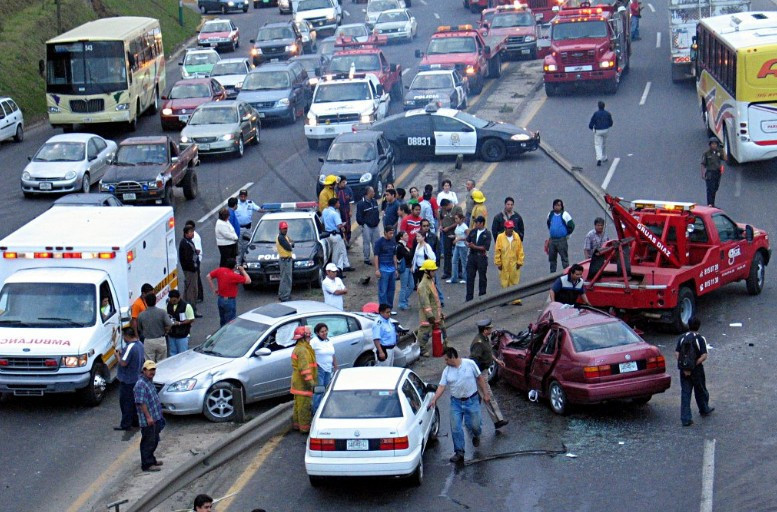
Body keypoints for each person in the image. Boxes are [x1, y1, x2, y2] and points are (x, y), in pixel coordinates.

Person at [428, 347, 490, 463]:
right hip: (456, 403)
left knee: (475, 425)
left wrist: (485, 394)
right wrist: (434, 399)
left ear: (453, 357)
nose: (445, 362)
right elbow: (442, 386)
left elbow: (480, 378)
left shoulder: (470, 364)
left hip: (472, 400)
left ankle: (476, 434)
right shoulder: (447, 371)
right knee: (456, 427)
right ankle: (459, 452)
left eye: (446, 359)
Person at [469, 318, 508, 429]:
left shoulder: (485, 339)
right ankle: (498, 420)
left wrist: (497, 360)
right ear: (485, 330)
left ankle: (471, 421)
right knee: (488, 396)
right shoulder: (478, 343)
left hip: (484, 371)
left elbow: (488, 353)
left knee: (476, 399)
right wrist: (478, 376)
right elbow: (474, 360)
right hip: (481, 373)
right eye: (489, 328)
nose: (491, 329)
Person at [675, 316, 714, 427]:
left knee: (685, 393)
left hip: (683, 370)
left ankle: (686, 419)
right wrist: (693, 364)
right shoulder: (700, 339)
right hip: (697, 370)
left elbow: (677, 353)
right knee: (700, 389)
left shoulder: (682, 338)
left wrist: (684, 365)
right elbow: (704, 355)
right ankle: (704, 408)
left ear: (688, 325)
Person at [134, 360, 164, 472]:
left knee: (154, 440)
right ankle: (147, 464)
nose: (152, 372)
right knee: (148, 442)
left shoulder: (149, 381)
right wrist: (148, 417)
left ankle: (152, 460)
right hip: (148, 420)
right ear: (144, 370)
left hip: (155, 417)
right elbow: (141, 402)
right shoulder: (141, 385)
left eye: (153, 369)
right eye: (150, 370)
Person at [207, 258, 252, 326]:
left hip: (221, 299)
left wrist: (214, 289)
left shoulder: (220, 270)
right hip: (229, 301)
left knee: (222, 320)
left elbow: (208, 276)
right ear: (234, 266)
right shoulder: (234, 276)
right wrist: (242, 270)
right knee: (231, 322)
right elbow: (248, 281)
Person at [114, 326, 143, 431]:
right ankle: (136, 422)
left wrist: (117, 356)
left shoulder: (130, 347)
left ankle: (126, 424)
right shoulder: (140, 344)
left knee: (126, 403)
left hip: (128, 379)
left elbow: (123, 362)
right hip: (137, 378)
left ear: (127, 336)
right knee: (135, 403)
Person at [290, 326, 317, 433]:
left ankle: (297, 425)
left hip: (298, 382)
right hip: (303, 383)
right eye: (309, 335)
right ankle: (305, 428)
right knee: (304, 407)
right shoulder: (303, 350)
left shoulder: (300, 348)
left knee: (298, 406)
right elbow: (304, 369)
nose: (310, 337)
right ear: (304, 336)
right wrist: (311, 383)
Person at [417, 260, 443, 357]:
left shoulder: (430, 281)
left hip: (435, 313)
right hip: (427, 315)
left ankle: (442, 346)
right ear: (427, 271)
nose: (434, 272)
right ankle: (421, 349)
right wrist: (430, 316)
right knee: (424, 331)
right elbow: (425, 303)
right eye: (433, 271)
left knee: (441, 329)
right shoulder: (423, 285)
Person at [494, 220, 525, 303]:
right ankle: (504, 300)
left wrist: (519, 262)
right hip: (504, 263)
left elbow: (520, 250)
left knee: (514, 281)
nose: (511, 230)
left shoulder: (516, 236)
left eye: (512, 228)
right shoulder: (500, 237)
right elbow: (497, 251)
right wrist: (498, 263)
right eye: (509, 228)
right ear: (505, 228)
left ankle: (516, 300)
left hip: (514, 263)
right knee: (504, 282)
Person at [137, 293, 172, 362]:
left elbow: (140, 328)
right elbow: (169, 324)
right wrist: (166, 331)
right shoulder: (162, 312)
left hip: (148, 340)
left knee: (149, 363)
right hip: (160, 339)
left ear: (146, 302)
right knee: (162, 362)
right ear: (155, 301)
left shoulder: (141, 315)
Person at [311, 323, 337, 412]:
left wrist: (335, 367)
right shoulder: (314, 342)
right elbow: (310, 355)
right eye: (322, 332)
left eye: (326, 331)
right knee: (319, 390)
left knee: (327, 390)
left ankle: (324, 409)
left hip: (328, 368)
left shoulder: (328, 341)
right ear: (317, 333)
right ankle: (316, 411)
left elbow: (332, 354)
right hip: (319, 369)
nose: (324, 333)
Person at [322, 197, 353, 272]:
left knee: (343, 249)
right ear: (335, 204)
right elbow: (339, 225)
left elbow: (322, 221)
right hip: (336, 235)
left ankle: (346, 265)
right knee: (336, 253)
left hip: (328, 235)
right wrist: (343, 228)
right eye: (338, 203)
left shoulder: (324, 211)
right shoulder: (335, 213)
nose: (339, 204)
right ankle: (334, 269)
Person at [465, 216, 491, 301]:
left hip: (481, 257)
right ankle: (469, 298)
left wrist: (474, 246)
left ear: (481, 223)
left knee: (482, 277)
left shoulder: (487, 234)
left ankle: (482, 297)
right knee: (470, 277)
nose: (475, 224)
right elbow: (467, 240)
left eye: (477, 223)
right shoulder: (473, 232)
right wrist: (467, 244)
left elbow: (485, 247)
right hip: (472, 256)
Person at [421, 219, 445, 308]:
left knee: (436, 283)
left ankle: (441, 299)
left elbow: (437, 250)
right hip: (422, 265)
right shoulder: (419, 237)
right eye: (424, 226)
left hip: (431, 264)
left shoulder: (433, 237)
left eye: (427, 226)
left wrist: (437, 264)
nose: (426, 227)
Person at [546, 199, 575, 273]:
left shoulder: (565, 214)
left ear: (561, 206)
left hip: (562, 240)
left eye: (559, 205)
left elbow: (571, 225)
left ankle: (567, 273)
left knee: (564, 258)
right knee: (552, 259)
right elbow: (549, 224)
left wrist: (566, 234)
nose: (557, 207)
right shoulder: (550, 214)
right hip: (552, 240)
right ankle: (552, 274)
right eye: (556, 205)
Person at [373, 226, 397, 308]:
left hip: (392, 270)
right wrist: (377, 270)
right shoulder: (379, 242)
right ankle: (383, 309)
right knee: (383, 291)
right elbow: (376, 256)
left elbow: (394, 256)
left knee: (391, 290)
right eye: (390, 233)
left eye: (392, 233)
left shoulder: (393, 242)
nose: (392, 235)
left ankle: (389, 308)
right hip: (383, 270)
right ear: (385, 232)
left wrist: (396, 269)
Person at [439, 199, 464, 280]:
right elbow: (441, 218)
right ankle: (447, 272)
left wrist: (448, 228)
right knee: (447, 254)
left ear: (449, 204)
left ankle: (460, 272)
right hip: (446, 235)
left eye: (446, 207)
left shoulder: (457, 209)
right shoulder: (443, 210)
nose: (445, 209)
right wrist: (441, 225)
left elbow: (459, 221)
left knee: (459, 253)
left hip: (455, 234)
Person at [356, 186, 381, 265]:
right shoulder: (361, 204)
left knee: (376, 243)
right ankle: (366, 259)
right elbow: (359, 216)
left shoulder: (374, 201)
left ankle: (377, 257)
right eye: (372, 192)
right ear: (368, 193)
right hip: (367, 226)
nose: (374, 193)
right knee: (366, 243)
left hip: (375, 226)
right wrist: (363, 224)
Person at [167, 290, 195, 356]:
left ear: (179, 298)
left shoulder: (186, 306)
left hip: (183, 335)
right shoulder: (168, 305)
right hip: (172, 335)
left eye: (175, 301)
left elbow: (191, 319)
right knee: (172, 354)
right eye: (171, 300)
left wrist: (180, 323)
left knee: (183, 355)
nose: (173, 302)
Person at [179, 226, 200, 310]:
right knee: (192, 290)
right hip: (190, 270)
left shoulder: (188, 242)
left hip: (190, 269)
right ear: (186, 234)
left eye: (192, 232)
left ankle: (185, 306)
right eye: (190, 232)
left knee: (188, 288)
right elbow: (188, 259)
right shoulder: (185, 244)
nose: (192, 234)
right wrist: (194, 267)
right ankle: (192, 309)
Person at [701, 137, 726, 207]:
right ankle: (710, 204)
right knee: (710, 189)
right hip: (710, 173)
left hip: (717, 173)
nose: (714, 145)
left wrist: (722, 149)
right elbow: (703, 164)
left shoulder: (719, 152)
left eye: (715, 144)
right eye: (712, 144)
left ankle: (713, 203)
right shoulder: (706, 154)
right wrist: (703, 174)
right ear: (710, 145)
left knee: (715, 188)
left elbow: (725, 158)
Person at [236, 189, 261, 255]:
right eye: (241, 196)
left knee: (248, 244)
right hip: (239, 228)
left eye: (244, 196)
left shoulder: (250, 203)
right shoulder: (236, 204)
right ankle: (239, 263)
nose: (243, 197)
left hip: (248, 228)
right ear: (239, 196)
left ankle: (246, 261)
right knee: (239, 247)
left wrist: (268, 210)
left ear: (246, 196)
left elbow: (259, 209)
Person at [184, 220, 204, 306]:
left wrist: (197, 259)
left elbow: (198, 250)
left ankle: (199, 295)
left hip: (196, 261)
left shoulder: (195, 237)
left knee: (197, 279)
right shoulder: (187, 239)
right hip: (193, 261)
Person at [589, 101, 613, 167]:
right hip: (606, 130)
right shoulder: (607, 113)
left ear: (598, 106)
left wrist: (592, 128)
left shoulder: (596, 114)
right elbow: (611, 123)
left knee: (597, 145)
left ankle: (599, 158)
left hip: (598, 130)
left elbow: (591, 124)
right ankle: (604, 156)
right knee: (603, 143)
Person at [395, 231, 414, 310]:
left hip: (408, 267)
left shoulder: (405, 246)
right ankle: (402, 303)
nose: (407, 236)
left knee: (411, 286)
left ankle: (403, 300)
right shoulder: (400, 246)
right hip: (404, 268)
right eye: (405, 235)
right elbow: (408, 256)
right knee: (404, 286)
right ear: (401, 237)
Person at [448, 213, 469, 284]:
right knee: (454, 261)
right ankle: (454, 278)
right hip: (457, 245)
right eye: (455, 218)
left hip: (463, 246)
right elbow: (458, 234)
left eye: (457, 218)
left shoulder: (464, 227)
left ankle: (465, 278)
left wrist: (459, 239)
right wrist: (454, 236)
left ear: (461, 219)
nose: (455, 220)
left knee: (464, 262)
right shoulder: (458, 225)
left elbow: (468, 237)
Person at [277, 221, 294, 302]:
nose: (285, 230)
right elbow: (289, 247)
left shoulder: (284, 236)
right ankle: (285, 297)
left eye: (286, 228)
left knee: (284, 278)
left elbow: (292, 242)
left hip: (286, 260)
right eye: (283, 228)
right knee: (286, 279)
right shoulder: (281, 237)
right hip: (285, 261)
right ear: (280, 229)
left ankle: (282, 294)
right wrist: (290, 244)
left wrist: (291, 243)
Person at [336, 176, 354, 247]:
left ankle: (347, 241)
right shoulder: (335, 190)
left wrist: (350, 211)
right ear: (339, 182)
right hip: (338, 211)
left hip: (346, 210)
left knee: (347, 226)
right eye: (343, 182)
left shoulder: (348, 189)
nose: (344, 184)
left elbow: (351, 201)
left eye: (345, 182)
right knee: (339, 226)